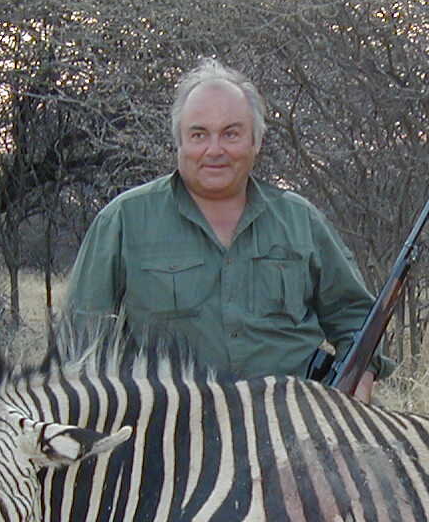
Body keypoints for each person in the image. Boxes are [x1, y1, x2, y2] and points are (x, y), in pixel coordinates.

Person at [63, 58, 391, 400]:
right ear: (180, 143)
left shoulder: (300, 219)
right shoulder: (122, 220)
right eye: (199, 134)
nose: (214, 150)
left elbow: (354, 317)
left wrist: (358, 385)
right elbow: (80, 345)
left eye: (231, 133)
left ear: (256, 141)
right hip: (170, 432)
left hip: (293, 424)